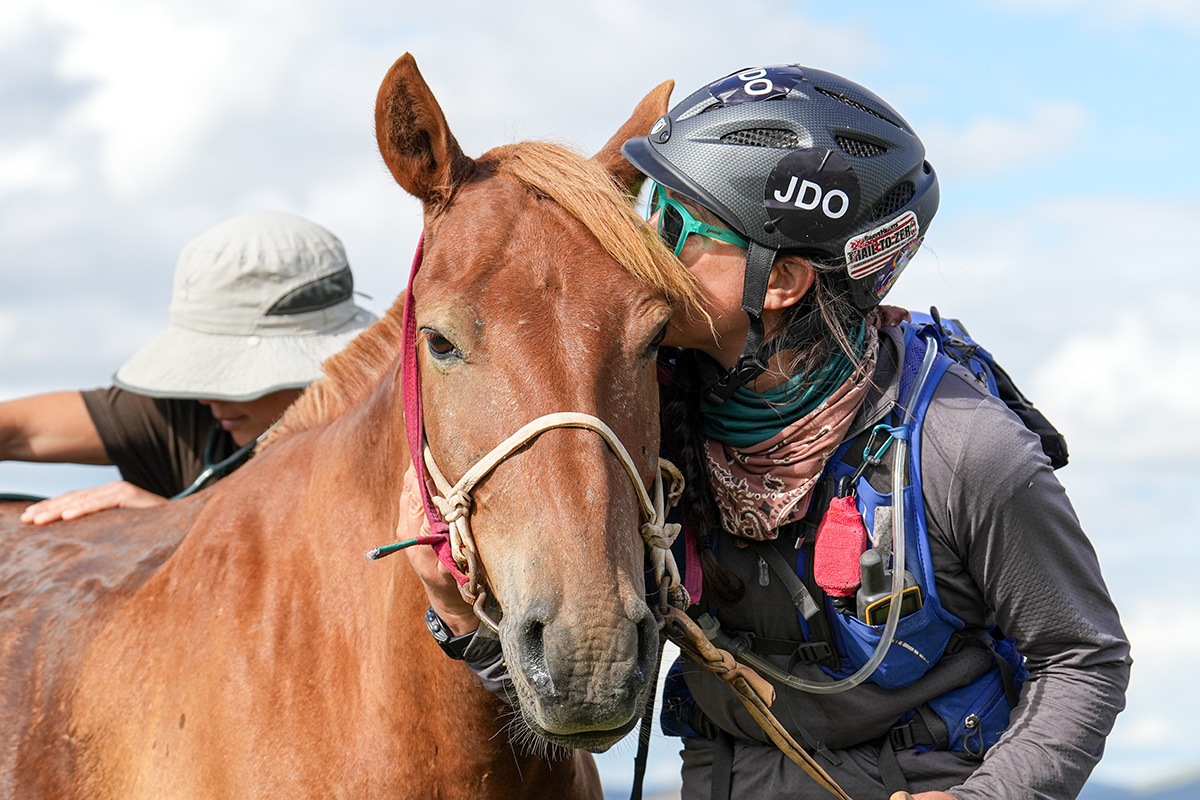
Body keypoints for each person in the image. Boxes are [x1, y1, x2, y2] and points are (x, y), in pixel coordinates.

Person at [405, 64, 1130, 800]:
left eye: (678, 226)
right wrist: (461, 617)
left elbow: (1085, 659)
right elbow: (587, 683)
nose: (641, 241)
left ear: (780, 281)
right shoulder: (649, 419)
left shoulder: (964, 447)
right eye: (648, 211)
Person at [0, 210, 377, 524]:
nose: (205, 396)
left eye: (231, 372)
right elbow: (18, 430)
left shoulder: (388, 451)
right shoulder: (179, 416)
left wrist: (178, 525)